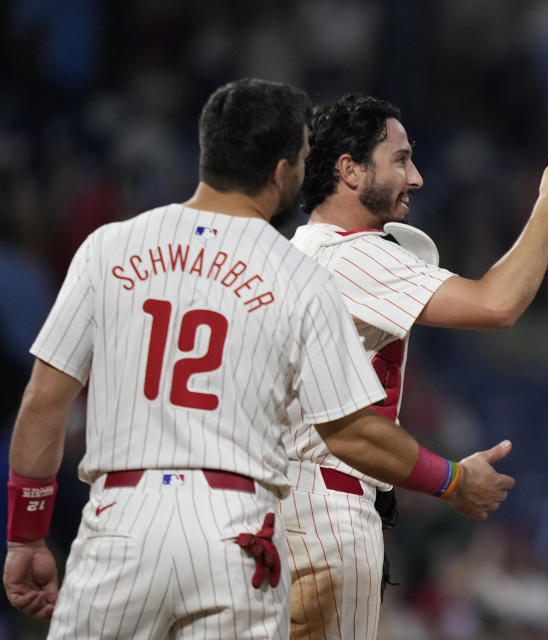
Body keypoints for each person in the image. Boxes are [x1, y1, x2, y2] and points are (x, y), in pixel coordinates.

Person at [3, 79, 513, 638]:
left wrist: (28, 533)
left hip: (122, 518)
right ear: (280, 170)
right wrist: (451, 479)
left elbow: (45, 400)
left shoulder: (109, 247)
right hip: (235, 531)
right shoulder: (300, 274)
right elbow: (350, 433)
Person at [281, 93, 548, 638]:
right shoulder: (352, 254)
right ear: (349, 170)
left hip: (283, 505)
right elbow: (497, 305)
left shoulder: (298, 250)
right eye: (399, 159)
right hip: (323, 512)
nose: (417, 177)